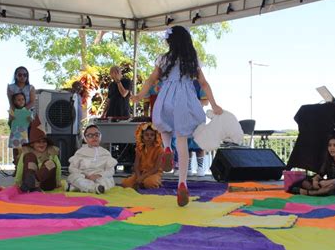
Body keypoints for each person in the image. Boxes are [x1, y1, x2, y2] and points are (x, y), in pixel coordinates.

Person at [131, 25, 222, 206]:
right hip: (186, 99)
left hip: (166, 97)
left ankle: (166, 148)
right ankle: (182, 182)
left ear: (170, 42)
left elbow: (151, 79)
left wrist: (140, 95)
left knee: (163, 124)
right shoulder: (192, 60)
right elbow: (203, 83)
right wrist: (213, 104)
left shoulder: (164, 59)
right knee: (182, 139)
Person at [15, 116, 61, 192]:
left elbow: (58, 167)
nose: (42, 144)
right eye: (38, 142)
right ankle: (30, 183)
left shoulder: (51, 152)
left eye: (44, 142)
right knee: (30, 157)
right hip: (28, 182)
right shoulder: (27, 152)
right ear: (32, 144)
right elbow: (20, 168)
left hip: (46, 184)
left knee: (50, 163)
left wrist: (58, 181)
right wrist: (17, 182)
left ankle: (33, 181)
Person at [67, 125, 117, 194]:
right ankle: (95, 188)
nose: (94, 137)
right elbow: (72, 168)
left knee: (106, 181)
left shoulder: (106, 153)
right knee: (74, 177)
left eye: (97, 135)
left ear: (100, 137)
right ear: (85, 138)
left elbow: (111, 171)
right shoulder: (80, 152)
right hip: (84, 177)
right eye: (90, 135)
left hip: (100, 177)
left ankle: (77, 187)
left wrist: (98, 175)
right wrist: (84, 175)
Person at [122, 122, 163, 189]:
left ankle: (154, 182)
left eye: (152, 135)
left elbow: (156, 168)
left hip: (153, 173)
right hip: (141, 173)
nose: (149, 137)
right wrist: (138, 177)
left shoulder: (160, 150)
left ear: (155, 137)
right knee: (126, 184)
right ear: (142, 137)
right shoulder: (139, 148)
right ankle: (142, 183)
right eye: (146, 135)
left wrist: (142, 178)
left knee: (150, 183)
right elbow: (136, 165)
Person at [8, 93, 32, 164]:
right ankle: (16, 167)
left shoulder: (28, 111)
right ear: (14, 101)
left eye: (23, 99)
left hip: (23, 135)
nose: (21, 101)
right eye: (18, 100)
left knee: (23, 151)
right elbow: (9, 123)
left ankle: (22, 168)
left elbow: (31, 124)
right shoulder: (12, 110)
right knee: (15, 151)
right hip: (14, 133)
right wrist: (11, 119)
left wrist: (30, 120)